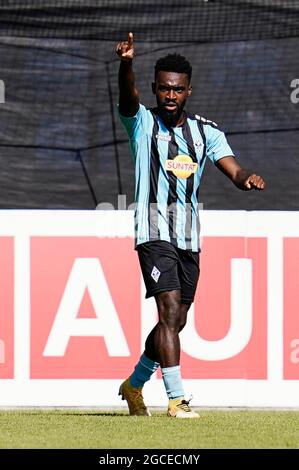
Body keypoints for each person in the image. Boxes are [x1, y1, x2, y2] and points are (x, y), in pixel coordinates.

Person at [116, 32, 266, 418]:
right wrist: (126, 64)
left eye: (177, 90)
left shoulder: (206, 132)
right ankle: (176, 399)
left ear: (188, 92)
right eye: (164, 89)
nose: (170, 96)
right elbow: (128, 99)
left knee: (177, 320)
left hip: (189, 237)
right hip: (153, 231)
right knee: (167, 311)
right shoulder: (142, 124)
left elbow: (232, 169)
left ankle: (134, 384)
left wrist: (246, 177)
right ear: (154, 88)